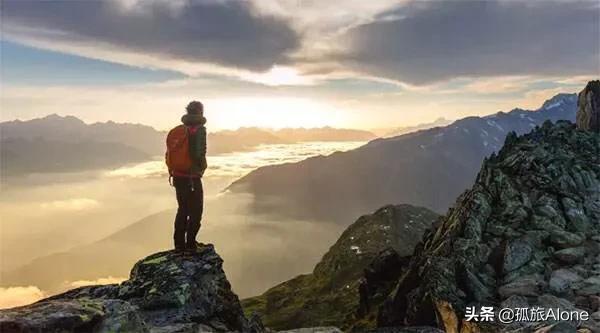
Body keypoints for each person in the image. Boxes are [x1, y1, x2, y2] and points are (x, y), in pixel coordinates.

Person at [166, 101, 207, 253]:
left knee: (183, 209)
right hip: (192, 177)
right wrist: (202, 167)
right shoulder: (199, 130)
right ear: (200, 112)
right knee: (196, 211)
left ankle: (179, 245)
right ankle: (190, 244)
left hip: (177, 176)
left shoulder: (178, 131)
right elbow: (198, 154)